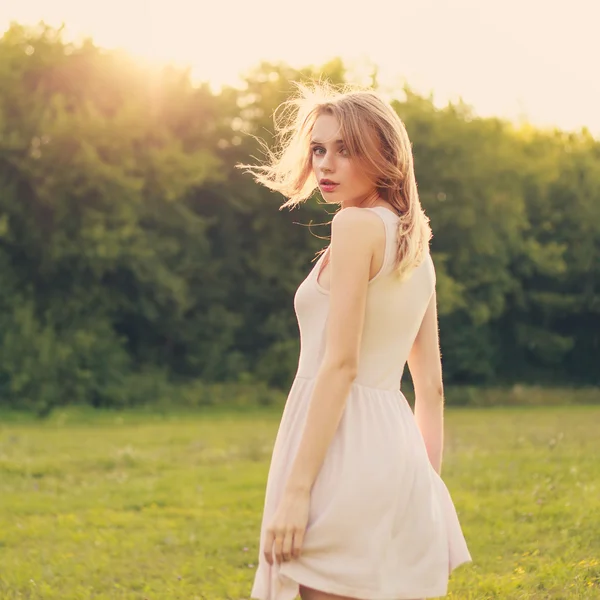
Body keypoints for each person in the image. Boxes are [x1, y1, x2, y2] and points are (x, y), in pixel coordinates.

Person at [239, 82, 472, 600]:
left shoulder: (354, 226)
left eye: (345, 149)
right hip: (396, 449)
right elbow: (430, 389)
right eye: (319, 148)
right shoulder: (416, 243)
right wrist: (426, 485)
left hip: (338, 445)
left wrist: (298, 491)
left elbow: (340, 365)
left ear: (384, 154)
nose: (326, 164)